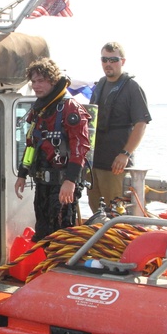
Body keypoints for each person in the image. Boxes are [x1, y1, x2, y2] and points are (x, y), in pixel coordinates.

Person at [14, 58, 91, 240]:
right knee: (42, 232)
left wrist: (70, 181)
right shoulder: (39, 110)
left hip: (63, 184)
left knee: (60, 234)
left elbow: (80, 147)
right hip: (42, 184)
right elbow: (32, 144)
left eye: (41, 81)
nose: (36, 86)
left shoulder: (69, 108)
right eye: (33, 81)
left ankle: (60, 265)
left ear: (53, 81)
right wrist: (22, 174)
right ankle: (45, 266)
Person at [88, 42, 151, 214]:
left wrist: (125, 154)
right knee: (96, 212)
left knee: (115, 212)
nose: (108, 64)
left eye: (113, 59)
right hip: (94, 163)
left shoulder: (132, 88)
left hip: (116, 165)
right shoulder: (99, 85)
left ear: (122, 61)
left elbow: (141, 123)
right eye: (104, 59)